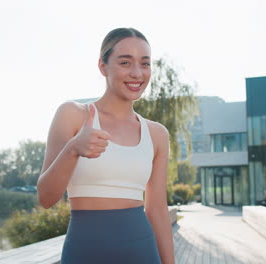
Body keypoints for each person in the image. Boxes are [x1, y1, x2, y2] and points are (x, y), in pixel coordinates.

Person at [37, 27, 175, 264]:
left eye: (145, 64)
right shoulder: (73, 115)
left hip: (142, 252)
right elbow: (46, 198)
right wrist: (73, 149)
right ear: (103, 66)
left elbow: (158, 211)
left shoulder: (157, 133)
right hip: (85, 253)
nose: (137, 73)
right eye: (125, 62)